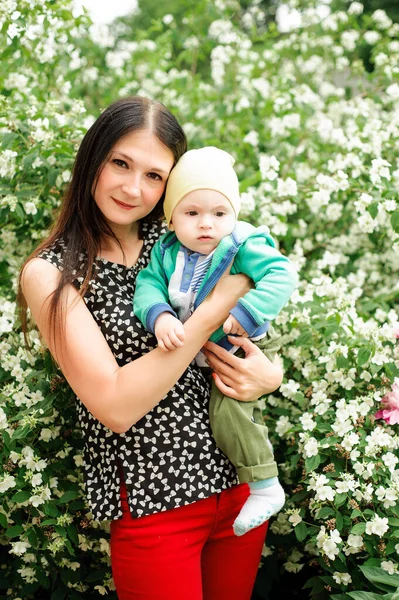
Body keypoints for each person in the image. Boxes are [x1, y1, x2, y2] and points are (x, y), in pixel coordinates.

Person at [19, 96, 284, 600]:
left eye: (154, 175)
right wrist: (219, 301)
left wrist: (271, 375)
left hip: (238, 489)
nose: (132, 187)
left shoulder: (187, 233)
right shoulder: (52, 274)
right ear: (92, 160)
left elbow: (259, 311)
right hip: (154, 506)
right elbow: (115, 405)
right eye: (120, 163)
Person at [134, 146, 298, 538]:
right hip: (205, 350)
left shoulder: (242, 244)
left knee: (229, 412)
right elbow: (147, 286)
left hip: (242, 342)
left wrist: (248, 312)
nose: (207, 224)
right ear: (172, 218)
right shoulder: (166, 251)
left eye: (219, 213)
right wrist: (159, 315)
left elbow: (281, 274)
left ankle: (264, 485)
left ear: (234, 216)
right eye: (192, 213)